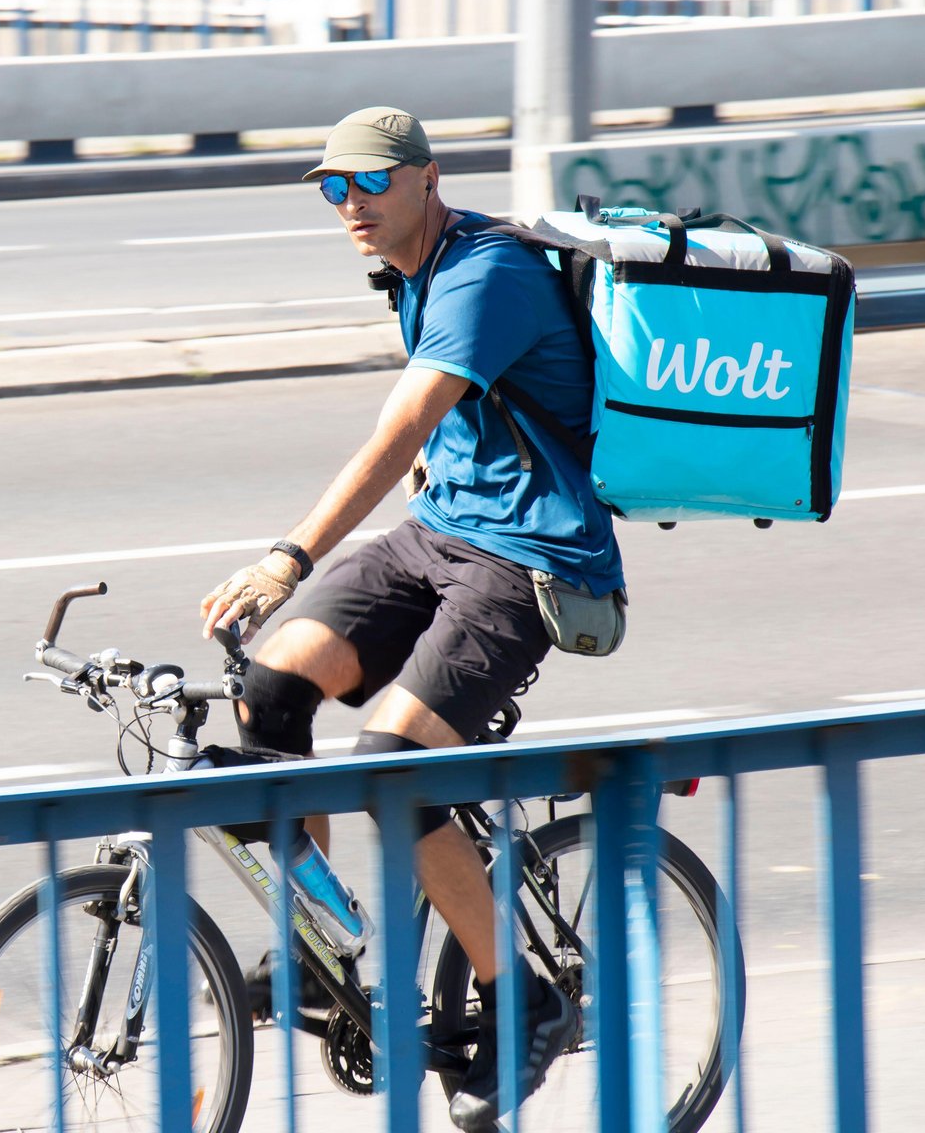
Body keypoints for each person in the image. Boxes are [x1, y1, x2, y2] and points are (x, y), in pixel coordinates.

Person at [199, 106, 623, 1131]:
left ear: (429, 178)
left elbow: (400, 431)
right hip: (437, 537)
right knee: (268, 694)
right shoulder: (413, 269)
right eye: (333, 188)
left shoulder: (484, 275)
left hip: (530, 561)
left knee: (391, 769)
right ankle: (320, 952)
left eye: (370, 182)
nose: (350, 203)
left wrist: (289, 555)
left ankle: (525, 999)